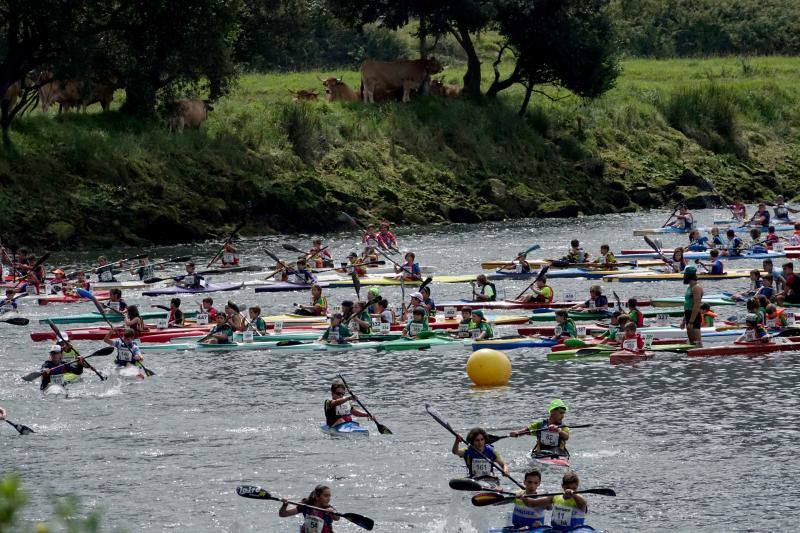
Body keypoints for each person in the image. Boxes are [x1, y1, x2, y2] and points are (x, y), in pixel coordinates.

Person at [681, 266, 704, 346]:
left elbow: (697, 305)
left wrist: (691, 321)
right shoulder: (689, 287)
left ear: (688, 276)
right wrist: (684, 321)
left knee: (697, 343)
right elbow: (687, 305)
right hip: (688, 315)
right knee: (691, 343)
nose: (683, 277)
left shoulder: (696, 288)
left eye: (684, 275)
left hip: (694, 316)